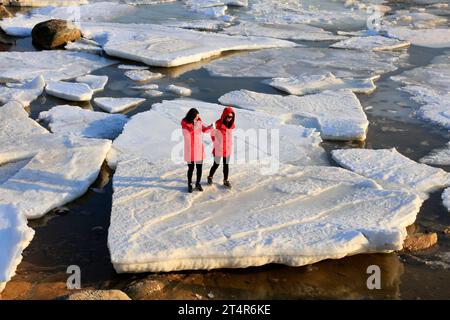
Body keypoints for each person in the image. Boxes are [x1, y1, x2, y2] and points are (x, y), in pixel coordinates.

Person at [181, 108, 212, 193]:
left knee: (199, 168)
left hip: (198, 149)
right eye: (196, 117)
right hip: (190, 149)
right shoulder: (185, 124)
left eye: (198, 117)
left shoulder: (198, 122)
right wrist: (194, 127)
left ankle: (198, 183)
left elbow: (204, 130)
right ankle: (189, 184)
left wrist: (210, 127)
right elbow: (186, 134)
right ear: (191, 117)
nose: (197, 119)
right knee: (191, 168)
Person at [207, 106, 235, 188]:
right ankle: (210, 177)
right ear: (225, 115)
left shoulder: (231, 125)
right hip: (219, 148)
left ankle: (225, 180)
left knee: (226, 165)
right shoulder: (218, 123)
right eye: (229, 116)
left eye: (231, 117)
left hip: (227, 149)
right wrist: (216, 141)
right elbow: (212, 135)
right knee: (216, 164)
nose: (230, 118)